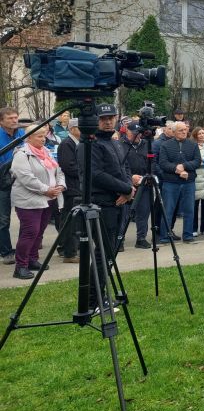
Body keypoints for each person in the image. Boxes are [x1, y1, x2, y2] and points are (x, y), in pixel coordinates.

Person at [78, 104, 137, 310]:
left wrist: (128, 188)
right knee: (103, 253)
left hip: (119, 202)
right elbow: (96, 174)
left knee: (109, 252)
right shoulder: (90, 143)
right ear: (96, 120)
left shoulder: (116, 142)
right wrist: (125, 189)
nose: (108, 121)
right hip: (102, 204)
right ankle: (94, 300)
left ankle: (100, 295)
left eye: (111, 117)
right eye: (103, 118)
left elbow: (125, 166)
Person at [10, 125, 66, 279]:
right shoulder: (22, 154)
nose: (42, 139)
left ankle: (32, 259)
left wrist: (60, 185)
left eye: (44, 136)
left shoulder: (46, 152)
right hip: (28, 200)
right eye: (38, 136)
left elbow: (58, 170)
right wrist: (46, 189)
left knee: (39, 232)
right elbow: (26, 178)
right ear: (28, 138)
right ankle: (20, 266)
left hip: (49, 198)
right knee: (30, 232)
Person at [157, 122, 201, 244]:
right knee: (168, 210)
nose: (183, 132)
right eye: (180, 130)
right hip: (170, 183)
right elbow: (163, 163)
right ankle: (165, 236)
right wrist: (177, 170)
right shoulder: (165, 145)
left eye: (185, 130)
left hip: (189, 182)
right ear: (174, 131)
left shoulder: (193, 145)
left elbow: (197, 161)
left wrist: (184, 166)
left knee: (189, 210)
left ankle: (187, 236)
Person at [119, 123, 151, 249]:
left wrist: (147, 176)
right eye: (134, 133)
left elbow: (152, 161)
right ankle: (120, 240)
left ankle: (141, 238)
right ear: (127, 132)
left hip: (144, 183)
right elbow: (119, 165)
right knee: (124, 214)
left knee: (143, 212)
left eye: (139, 133)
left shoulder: (146, 144)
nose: (137, 135)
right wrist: (130, 178)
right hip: (127, 184)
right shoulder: (120, 145)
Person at [0, 107, 25, 265]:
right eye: (10, 118)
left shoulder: (23, 134)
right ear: (1, 121)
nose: (15, 121)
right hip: (2, 182)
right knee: (3, 218)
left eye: (16, 117)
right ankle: (6, 251)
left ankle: (23, 248)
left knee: (26, 215)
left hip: (21, 180)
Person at [56, 118, 82, 262]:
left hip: (78, 187)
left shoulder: (79, 143)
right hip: (72, 188)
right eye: (79, 128)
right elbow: (68, 166)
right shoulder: (67, 144)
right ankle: (69, 252)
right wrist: (86, 171)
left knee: (73, 221)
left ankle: (68, 248)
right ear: (72, 129)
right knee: (71, 221)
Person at [192, 127, 204, 236]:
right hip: (196, 176)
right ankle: (193, 228)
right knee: (194, 204)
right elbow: (194, 160)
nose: (202, 135)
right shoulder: (192, 146)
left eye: (203, 133)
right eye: (199, 133)